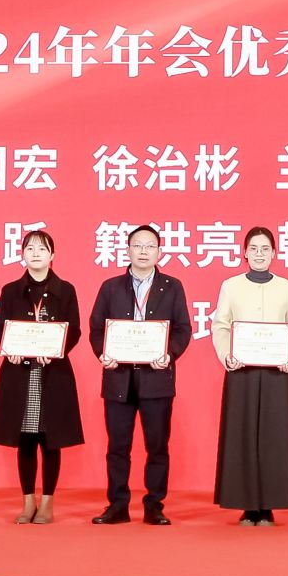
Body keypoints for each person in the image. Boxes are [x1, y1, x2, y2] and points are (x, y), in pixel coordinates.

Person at [87, 224, 192, 525]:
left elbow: (183, 328)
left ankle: (154, 506)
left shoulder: (172, 286)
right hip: (118, 378)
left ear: (159, 252)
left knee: (157, 446)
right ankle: (117, 505)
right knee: (117, 447)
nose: (143, 251)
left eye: (149, 246)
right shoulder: (110, 287)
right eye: (137, 245)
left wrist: (169, 354)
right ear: (128, 250)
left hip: (156, 380)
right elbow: (96, 328)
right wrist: (103, 353)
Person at [211, 226, 288, 525]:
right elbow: (221, 325)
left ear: (274, 253)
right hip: (242, 372)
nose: (259, 254)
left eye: (265, 249)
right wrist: (227, 355)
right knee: (242, 435)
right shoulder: (231, 286)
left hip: (277, 373)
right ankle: (247, 505)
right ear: (245, 253)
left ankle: (269, 505)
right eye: (253, 249)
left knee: (275, 437)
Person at [0, 229, 83, 524]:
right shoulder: (10, 290)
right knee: (26, 438)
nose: (36, 253)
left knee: (51, 439)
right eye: (30, 248)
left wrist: (56, 351)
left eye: (42, 249)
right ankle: (27, 502)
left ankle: (47, 503)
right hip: (20, 374)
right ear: (22, 254)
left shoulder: (66, 290)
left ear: (52, 255)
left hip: (53, 374)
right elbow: (0, 327)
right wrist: (9, 349)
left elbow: (74, 329)